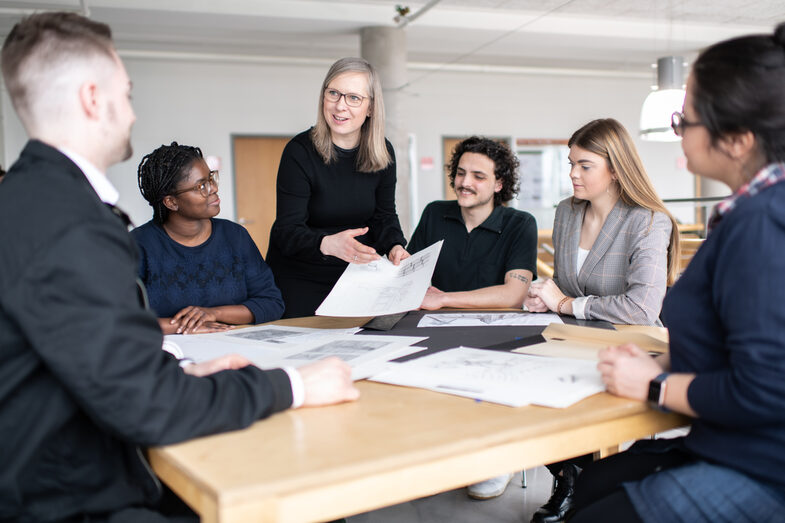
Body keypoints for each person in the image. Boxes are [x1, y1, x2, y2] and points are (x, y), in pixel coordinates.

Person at [0, 12, 358, 522]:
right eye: (126, 94)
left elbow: (89, 350)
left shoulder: (30, 201)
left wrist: (177, 370)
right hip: (68, 497)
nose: (132, 114)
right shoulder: (70, 224)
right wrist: (294, 386)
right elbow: (144, 404)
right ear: (92, 99)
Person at [568, 23, 785, 523]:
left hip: (764, 464)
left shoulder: (763, 222)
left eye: (684, 120)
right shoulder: (749, 212)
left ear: (737, 140)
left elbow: (766, 388)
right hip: (730, 436)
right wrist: (665, 359)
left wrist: (655, 385)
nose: (678, 132)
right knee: (593, 483)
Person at [524, 118, 679, 523]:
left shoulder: (647, 219)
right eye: (570, 163)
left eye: (585, 165)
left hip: (627, 346)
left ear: (616, 169)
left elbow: (641, 307)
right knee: (520, 383)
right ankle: (570, 474)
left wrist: (566, 304)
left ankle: (575, 480)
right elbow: (565, 284)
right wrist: (545, 296)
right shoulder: (566, 212)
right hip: (571, 341)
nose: (573, 174)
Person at [266, 57, 409, 318]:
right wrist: (327, 244)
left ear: (370, 107)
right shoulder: (299, 152)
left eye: (353, 98)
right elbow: (287, 231)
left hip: (356, 277)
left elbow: (384, 215)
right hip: (301, 278)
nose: (340, 105)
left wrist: (395, 246)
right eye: (333, 93)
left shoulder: (382, 151)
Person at [133, 141, 284, 334]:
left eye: (211, 179)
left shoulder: (235, 236)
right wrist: (184, 326)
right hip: (169, 349)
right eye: (201, 186)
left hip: (233, 345)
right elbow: (118, 318)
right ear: (171, 202)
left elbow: (271, 303)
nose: (213, 188)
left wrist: (213, 313)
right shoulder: (137, 245)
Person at [409, 136, 537, 310]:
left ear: (498, 184)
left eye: (478, 177)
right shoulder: (434, 213)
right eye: (461, 173)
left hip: (497, 323)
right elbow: (409, 277)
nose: (465, 183)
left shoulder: (520, 224)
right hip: (438, 320)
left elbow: (513, 296)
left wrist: (443, 299)